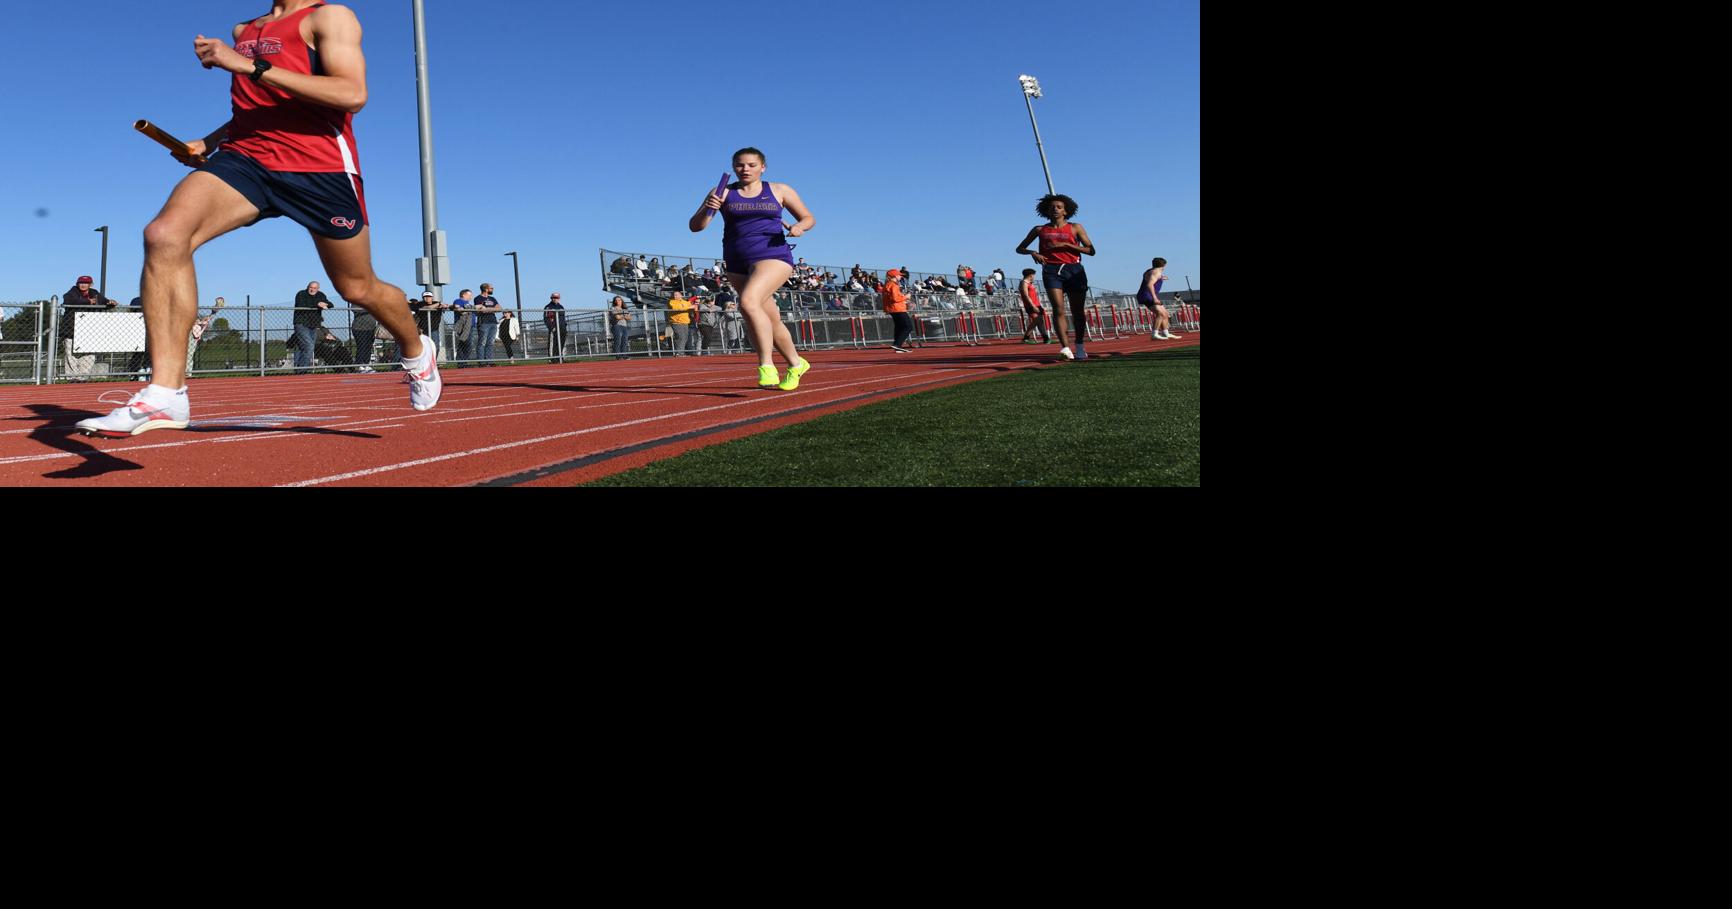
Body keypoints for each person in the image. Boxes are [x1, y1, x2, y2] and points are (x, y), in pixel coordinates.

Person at [76, 0, 440, 437]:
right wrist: (208, 141)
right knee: (165, 234)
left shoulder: (329, 17)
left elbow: (352, 94)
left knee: (356, 286)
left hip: (318, 167)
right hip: (246, 159)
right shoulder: (243, 29)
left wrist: (251, 67)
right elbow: (254, 108)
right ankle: (166, 393)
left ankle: (417, 350)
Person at [689, 146, 815, 390]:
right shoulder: (722, 192)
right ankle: (796, 363)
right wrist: (708, 206)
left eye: (751, 165)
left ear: (762, 167)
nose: (745, 169)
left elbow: (808, 217)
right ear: (733, 166)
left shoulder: (779, 190)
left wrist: (800, 227)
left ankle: (766, 365)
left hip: (773, 255)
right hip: (736, 261)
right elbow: (696, 226)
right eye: (740, 165)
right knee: (771, 319)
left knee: (748, 302)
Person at [1014, 193, 1096, 360]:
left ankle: (1080, 346)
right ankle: (1065, 348)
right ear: (1047, 211)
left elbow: (1091, 250)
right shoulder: (1039, 229)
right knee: (1058, 309)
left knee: (1077, 311)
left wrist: (1067, 244)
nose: (1055, 209)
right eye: (1052, 207)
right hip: (1051, 270)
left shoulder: (1075, 227)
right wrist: (1033, 253)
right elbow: (1019, 248)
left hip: (1074, 270)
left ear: (1066, 211)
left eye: (1059, 207)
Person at [1139, 257, 1184, 341]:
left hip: (1147, 295)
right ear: (1164, 265)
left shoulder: (1151, 271)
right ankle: (1154, 334)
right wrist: (1155, 298)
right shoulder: (1156, 272)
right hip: (1147, 295)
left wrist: (1161, 277)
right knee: (1160, 313)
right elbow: (1149, 284)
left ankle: (1166, 332)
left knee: (1165, 314)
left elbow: (1149, 277)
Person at [292, 280, 332, 373]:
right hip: (301, 323)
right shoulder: (301, 294)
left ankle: (298, 370)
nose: (312, 289)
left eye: (315, 288)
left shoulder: (320, 295)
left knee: (304, 348)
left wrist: (325, 304)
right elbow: (302, 304)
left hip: (314, 325)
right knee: (309, 346)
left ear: (318, 289)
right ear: (307, 287)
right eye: (311, 287)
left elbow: (330, 304)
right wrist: (318, 304)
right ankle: (302, 371)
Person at [882, 268, 914, 352]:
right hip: (897, 309)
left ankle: (897, 346)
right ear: (895, 276)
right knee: (908, 327)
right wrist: (906, 297)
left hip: (892, 309)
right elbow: (895, 299)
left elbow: (893, 298)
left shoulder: (887, 284)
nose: (900, 276)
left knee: (899, 327)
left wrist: (903, 299)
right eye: (899, 275)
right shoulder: (893, 285)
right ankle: (897, 344)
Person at [472, 282, 502, 364]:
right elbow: (481, 310)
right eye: (491, 288)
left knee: (491, 343)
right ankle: (481, 362)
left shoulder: (493, 298)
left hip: (493, 322)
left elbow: (499, 308)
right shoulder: (478, 298)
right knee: (482, 342)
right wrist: (492, 309)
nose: (492, 289)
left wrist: (487, 309)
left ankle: (490, 361)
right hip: (483, 322)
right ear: (485, 289)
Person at [1018, 268, 1049, 344]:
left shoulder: (1030, 283)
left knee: (1039, 321)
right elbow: (1026, 295)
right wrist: (1033, 306)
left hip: (1037, 304)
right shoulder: (1024, 283)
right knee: (1037, 320)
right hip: (1030, 305)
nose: (1034, 277)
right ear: (1030, 275)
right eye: (1033, 275)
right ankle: (1027, 337)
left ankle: (1045, 338)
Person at [350, 300, 377, 372]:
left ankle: (366, 364)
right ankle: (359, 365)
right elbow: (354, 309)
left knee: (368, 346)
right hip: (359, 328)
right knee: (361, 346)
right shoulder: (356, 300)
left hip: (371, 328)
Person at [667, 291, 695, 356]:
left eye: (676, 295)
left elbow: (692, 308)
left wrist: (694, 306)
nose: (675, 296)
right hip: (676, 322)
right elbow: (677, 308)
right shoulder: (671, 301)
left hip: (685, 322)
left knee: (685, 337)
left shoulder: (685, 302)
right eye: (674, 295)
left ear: (681, 295)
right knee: (680, 337)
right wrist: (689, 307)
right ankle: (678, 353)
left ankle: (681, 352)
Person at [451, 288, 475, 361]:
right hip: (464, 326)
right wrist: (461, 309)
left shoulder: (469, 304)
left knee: (465, 344)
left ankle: (463, 362)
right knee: (466, 344)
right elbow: (457, 307)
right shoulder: (459, 300)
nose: (471, 297)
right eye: (469, 295)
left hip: (471, 326)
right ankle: (462, 361)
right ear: (464, 295)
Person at [545, 292, 568, 357]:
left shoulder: (561, 307)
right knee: (553, 344)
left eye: (556, 298)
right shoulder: (548, 307)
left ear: (559, 298)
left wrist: (564, 326)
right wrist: (552, 328)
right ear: (551, 298)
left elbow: (563, 318)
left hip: (562, 328)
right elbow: (546, 319)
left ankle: (560, 357)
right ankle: (552, 358)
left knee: (561, 343)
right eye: (553, 298)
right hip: (554, 329)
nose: (555, 299)